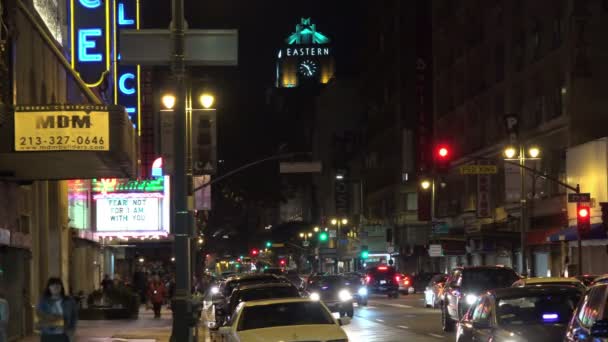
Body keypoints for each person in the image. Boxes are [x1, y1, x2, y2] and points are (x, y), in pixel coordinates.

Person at [36, 277, 78, 342]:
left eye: (58, 285)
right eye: (52, 285)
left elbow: (74, 317)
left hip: (64, 335)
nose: (55, 287)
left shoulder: (69, 301)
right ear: (49, 288)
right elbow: (39, 317)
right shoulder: (43, 301)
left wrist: (72, 331)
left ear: (61, 287)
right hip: (47, 335)